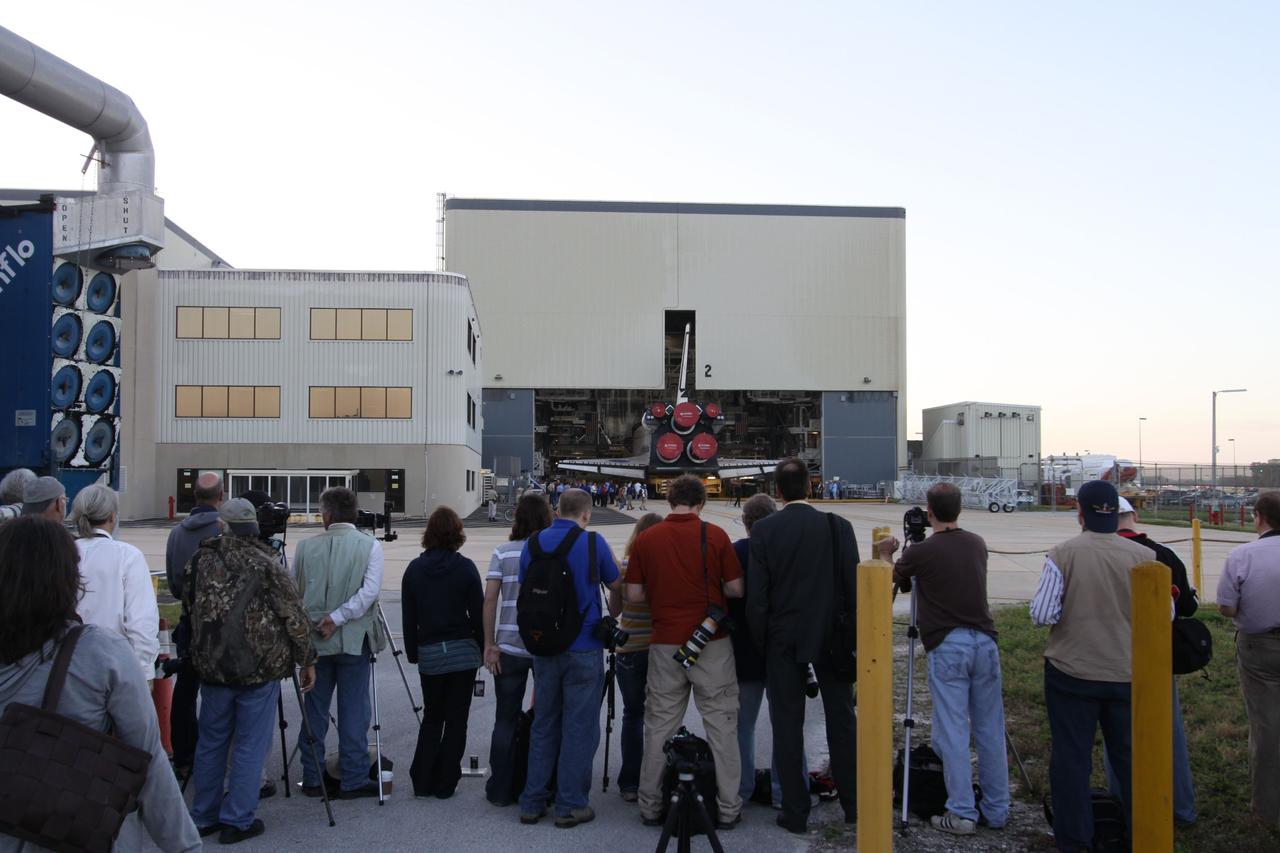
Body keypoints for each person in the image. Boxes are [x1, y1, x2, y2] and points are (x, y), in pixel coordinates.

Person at [0, 516, 200, 853]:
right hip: (78, 830)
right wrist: (185, 847)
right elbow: (147, 757)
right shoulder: (99, 652)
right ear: (66, 579)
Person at [877, 482, 1009, 835]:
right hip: (985, 641)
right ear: (960, 509)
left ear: (930, 512)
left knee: (952, 730)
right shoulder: (976, 543)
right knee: (989, 729)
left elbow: (892, 576)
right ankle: (997, 810)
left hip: (949, 644)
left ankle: (962, 811)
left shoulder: (924, 551)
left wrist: (886, 553)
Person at [183, 499, 316, 844]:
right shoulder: (265, 563)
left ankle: (203, 814)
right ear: (254, 528)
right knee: (249, 745)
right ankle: (238, 819)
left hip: (212, 666)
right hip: (257, 668)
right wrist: (307, 659)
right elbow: (294, 615)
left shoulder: (200, 560)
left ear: (223, 526)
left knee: (211, 742)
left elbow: (188, 605)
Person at [1030, 480, 1152, 852]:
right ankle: (1141, 834)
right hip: (1128, 673)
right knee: (1131, 759)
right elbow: (1165, 613)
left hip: (1072, 671)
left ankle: (1074, 840)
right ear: (1117, 513)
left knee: (1071, 760)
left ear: (1079, 512)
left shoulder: (1063, 553)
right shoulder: (1144, 557)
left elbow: (1042, 613)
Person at [627, 474, 745, 830]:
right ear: (701, 503)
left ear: (669, 501)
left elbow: (633, 595)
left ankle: (650, 806)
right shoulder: (717, 535)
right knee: (722, 725)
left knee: (660, 725)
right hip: (711, 643)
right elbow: (736, 589)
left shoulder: (647, 539)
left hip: (664, 643)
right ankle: (727, 808)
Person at [747, 457, 858, 832]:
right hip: (833, 638)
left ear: (777, 491)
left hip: (784, 639)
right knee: (842, 722)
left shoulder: (764, 532)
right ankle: (854, 804)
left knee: (787, 725)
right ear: (810, 487)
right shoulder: (838, 527)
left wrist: (763, 642)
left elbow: (757, 599)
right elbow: (853, 589)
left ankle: (795, 812)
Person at [517, 488, 622, 829]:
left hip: (544, 647)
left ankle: (532, 801)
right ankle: (570, 805)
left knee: (545, 722)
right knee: (579, 726)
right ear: (586, 514)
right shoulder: (593, 543)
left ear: (558, 510)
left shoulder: (532, 544)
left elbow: (525, 586)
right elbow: (615, 582)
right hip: (584, 645)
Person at [294, 486, 386, 799]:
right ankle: (354, 776)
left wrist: (326, 618)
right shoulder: (369, 545)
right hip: (351, 638)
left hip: (316, 643)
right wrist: (340, 617)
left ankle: (312, 775)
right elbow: (369, 592)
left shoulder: (305, 547)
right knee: (354, 710)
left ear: (327, 515)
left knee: (315, 710)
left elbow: (296, 594)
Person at [1112, 496, 1198, 826]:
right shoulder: (1164, 554)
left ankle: (1123, 806)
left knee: (1119, 738)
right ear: (1134, 515)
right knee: (1169, 735)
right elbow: (1188, 609)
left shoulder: (1105, 553)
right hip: (1159, 656)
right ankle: (1180, 809)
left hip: (1117, 655)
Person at [730, 492, 808, 808]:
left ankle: (739, 790)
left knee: (741, 727)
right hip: (783, 651)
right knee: (787, 726)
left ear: (746, 522)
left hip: (745, 651)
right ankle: (786, 791)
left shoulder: (736, 552)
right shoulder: (789, 553)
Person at [402, 506, 484, 799]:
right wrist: (484, 648)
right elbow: (477, 613)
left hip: (431, 651)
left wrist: (413, 652)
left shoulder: (413, 569)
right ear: (457, 534)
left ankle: (422, 778)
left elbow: (409, 618)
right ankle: (446, 781)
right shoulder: (466, 568)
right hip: (462, 651)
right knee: (457, 719)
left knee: (433, 716)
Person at [483, 493, 554, 806]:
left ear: (517, 519)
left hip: (509, 646)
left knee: (505, 718)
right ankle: (538, 784)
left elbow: (489, 600)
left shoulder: (503, 552)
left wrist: (489, 644)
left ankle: (500, 787)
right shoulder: (551, 553)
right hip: (544, 648)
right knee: (545, 719)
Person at [1216, 491, 1280, 830]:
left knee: (1267, 728)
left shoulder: (1243, 555)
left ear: (1258, 517)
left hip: (1260, 647)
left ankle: (1267, 809)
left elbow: (1226, 607)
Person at [164, 471, 225, 779]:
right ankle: (217, 758)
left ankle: (185, 756)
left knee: (185, 691)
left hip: (190, 622)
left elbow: (174, 584)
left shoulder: (176, 534)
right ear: (221, 496)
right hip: (223, 626)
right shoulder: (224, 532)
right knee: (222, 692)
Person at [70, 484, 160, 684]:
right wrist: (144, 672)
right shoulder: (127, 555)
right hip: (113, 667)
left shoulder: (63, 553)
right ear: (112, 517)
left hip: (66, 666)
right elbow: (141, 622)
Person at [614, 511, 663, 802]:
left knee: (632, 715)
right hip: (658, 647)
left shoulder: (624, 566)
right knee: (660, 716)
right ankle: (655, 780)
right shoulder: (666, 567)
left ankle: (629, 782)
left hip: (630, 648)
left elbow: (613, 610)